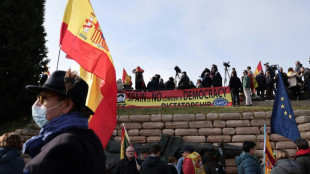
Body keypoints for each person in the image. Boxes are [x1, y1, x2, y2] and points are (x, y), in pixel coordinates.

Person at [23, 70, 106, 174]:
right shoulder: (90, 139)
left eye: (44, 98)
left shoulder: (62, 148)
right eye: (38, 98)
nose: (37, 104)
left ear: (66, 105)